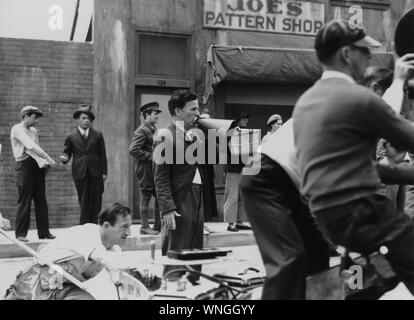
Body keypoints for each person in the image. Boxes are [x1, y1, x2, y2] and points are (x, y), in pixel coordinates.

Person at [293, 20, 414, 294]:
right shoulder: (355, 97)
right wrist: (399, 80)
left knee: (380, 267)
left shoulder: (306, 102)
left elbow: (359, 166)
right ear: (346, 54)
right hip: (362, 211)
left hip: (329, 218)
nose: (370, 56)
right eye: (364, 50)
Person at [4, 203, 134, 300]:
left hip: (63, 289)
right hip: (34, 285)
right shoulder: (87, 234)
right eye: (124, 227)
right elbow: (104, 258)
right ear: (106, 226)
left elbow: (116, 274)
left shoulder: (114, 249)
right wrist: (115, 267)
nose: (128, 232)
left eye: (130, 226)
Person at [153, 89, 204, 283]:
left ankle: (192, 283)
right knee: (177, 246)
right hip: (180, 198)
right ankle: (172, 287)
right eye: (193, 109)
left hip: (196, 194)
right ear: (178, 111)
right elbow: (160, 176)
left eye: (197, 108)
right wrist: (167, 208)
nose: (197, 113)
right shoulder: (165, 135)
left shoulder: (193, 134)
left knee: (195, 246)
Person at [10, 106, 55, 242]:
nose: (36, 121)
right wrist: (48, 157)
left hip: (36, 166)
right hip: (23, 166)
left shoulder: (33, 130)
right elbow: (30, 146)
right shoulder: (17, 129)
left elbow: (37, 149)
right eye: (34, 118)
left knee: (41, 200)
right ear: (26, 116)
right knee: (25, 200)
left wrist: (44, 164)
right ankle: (21, 234)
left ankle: (44, 232)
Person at [58, 104, 107, 225]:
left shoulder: (98, 135)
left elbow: (103, 155)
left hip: (96, 173)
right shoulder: (71, 136)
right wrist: (65, 158)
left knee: (96, 201)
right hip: (80, 172)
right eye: (84, 118)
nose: (86, 121)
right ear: (78, 119)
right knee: (83, 201)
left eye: (88, 119)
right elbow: (67, 151)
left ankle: (95, 227)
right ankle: (84, 228)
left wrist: (104, 173)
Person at [129, 102, 162, 235]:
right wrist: (150, 156)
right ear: (147, 115)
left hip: (152, 167)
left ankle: (158, 226)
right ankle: (144, 226)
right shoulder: (142, 130)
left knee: (158, 195)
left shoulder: (152, 129)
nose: (157, 117)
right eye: (155, 114)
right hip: (145, 168)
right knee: (146, 195)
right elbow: (133, 149)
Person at [224, 110, 252, 232]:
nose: (245, 120)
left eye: (246, 118)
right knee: (232, 197)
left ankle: (239, 221)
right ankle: (231, 224)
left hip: (243, 167)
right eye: (243, 118)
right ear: (237, 120)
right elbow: (231, 149)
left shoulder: (246, 133)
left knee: (241, 196)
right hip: (233, 168)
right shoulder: (231, 132)